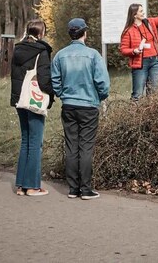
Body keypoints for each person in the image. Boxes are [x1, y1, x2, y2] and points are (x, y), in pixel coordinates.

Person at [51, 18, 110, 200]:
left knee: (71, 146)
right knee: (86, 147)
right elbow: (103, 83)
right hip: (88, 106)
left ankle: (73, 188)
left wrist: (63, 94)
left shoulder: (60, 55)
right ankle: (86, 189)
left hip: (69, 105)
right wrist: (99, 97)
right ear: (85, 33)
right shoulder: (93, 55)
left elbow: (55, 81)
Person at [10, 19, 54, 197]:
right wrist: (51, 95)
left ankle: (20, 184)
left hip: (20, 99)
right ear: (41, 32)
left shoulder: (18, 49)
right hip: (34, 99)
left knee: (26, 141)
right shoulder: (42, 50)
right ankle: (32, 186)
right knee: (36, 142)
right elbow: (44, 79)